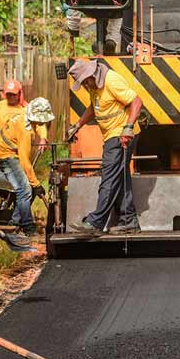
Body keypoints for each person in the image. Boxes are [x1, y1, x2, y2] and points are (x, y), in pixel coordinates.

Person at [67, 58, 143, 236]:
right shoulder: (94, 86)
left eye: (86, 82)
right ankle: (129, 220)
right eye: (83, 83)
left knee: (108, 178)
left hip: (121, 135)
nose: (85, 86)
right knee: (120, 178)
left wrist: (128, 127)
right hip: (112, 135)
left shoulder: (111, 80)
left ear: (92, 75)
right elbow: (94, 108)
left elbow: (137, 102)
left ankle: (96, 222)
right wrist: (78, 125)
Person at [0, 96, 53, 237]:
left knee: (26, 189)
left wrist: (43, 137)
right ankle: (28, 227)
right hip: (6, 157)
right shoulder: (25, 131)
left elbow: (40, 125)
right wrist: (36, 184)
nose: (43, 122)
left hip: (11, 152)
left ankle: (14, 223)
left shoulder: (26, 112)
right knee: (25, 190)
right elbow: (25, 163)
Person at [0, 80, 47, 149]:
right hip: (2, 151)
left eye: (13, 94)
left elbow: (40, 125)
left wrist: (43, 138)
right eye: (8, 94)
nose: (11, 97)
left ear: (19, 94)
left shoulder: (27, 109)